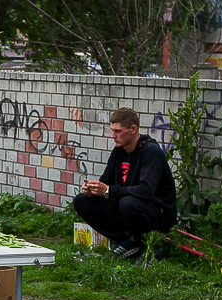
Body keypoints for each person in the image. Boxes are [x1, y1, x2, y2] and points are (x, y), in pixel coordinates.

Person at [73, 107, 178, 258]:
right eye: (112, 130)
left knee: (128, 203)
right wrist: (93, 189)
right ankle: (126, 241)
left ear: (133, 129)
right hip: (128, 207)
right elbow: (106, 182)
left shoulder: (150, 151)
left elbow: (146, 191)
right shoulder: (119, 151)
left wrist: (108, 190)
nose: (113, 135)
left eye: (118, 131)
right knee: (82, 201)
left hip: (158, 214)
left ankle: (152, 250)